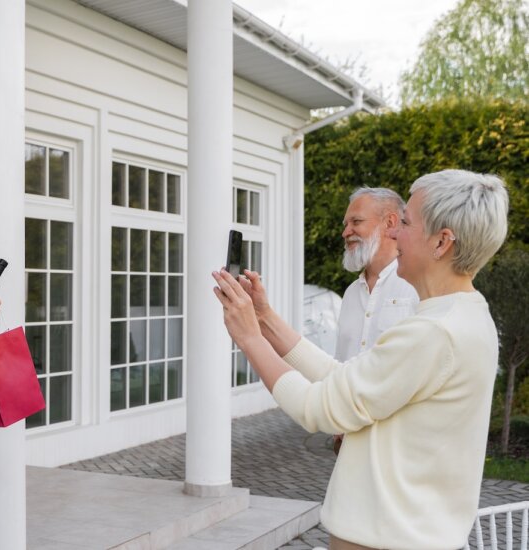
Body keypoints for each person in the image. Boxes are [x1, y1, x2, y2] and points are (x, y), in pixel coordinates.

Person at [213, 169, 509, 549]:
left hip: (386, 537)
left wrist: (248, 337)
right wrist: (264, 319)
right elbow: (346, 379)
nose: (395, 232)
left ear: (441, 242)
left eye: (405, 222)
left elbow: (318, 407)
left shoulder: (433, 332)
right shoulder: (465, 314)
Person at [332, 187, 418, 453]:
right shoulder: (349, 294)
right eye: (346, 224)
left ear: (390, 222)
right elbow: (341, 364)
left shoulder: (417, 286)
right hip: (351, 439)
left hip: (399, 444)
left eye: (356, 222)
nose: (346, 232)